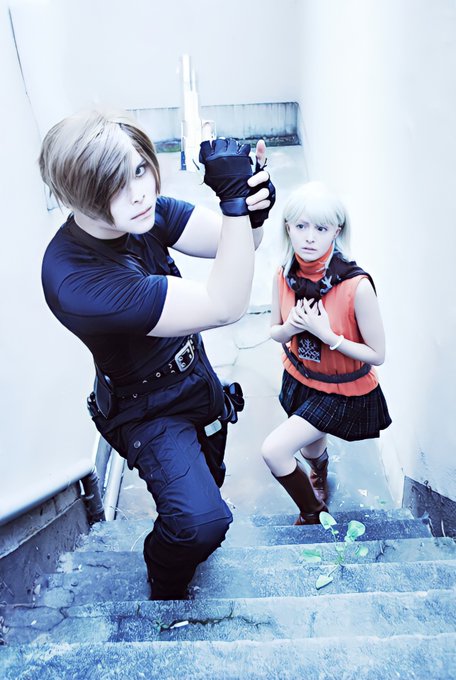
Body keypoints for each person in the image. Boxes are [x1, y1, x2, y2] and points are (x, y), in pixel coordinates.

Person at [39, 109, 276, 599]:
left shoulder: (143, 212)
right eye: (113, 185)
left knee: (209, 480)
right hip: (146, 408)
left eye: (140, 169)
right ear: (76, 194)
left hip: (197, 378)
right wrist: (233, 205)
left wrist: (250, 207)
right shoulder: (74, 279)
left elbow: (236, 245)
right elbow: (224, 305)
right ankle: (164, 580)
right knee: (200, 523)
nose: (139, 193)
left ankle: (183, 543)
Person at [261, 181, 391, 525]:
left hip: (341, 389)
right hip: (300, 374)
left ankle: (313, 512)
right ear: (287, 227)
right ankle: (318, 472)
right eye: (301, 226)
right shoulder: (283, 274)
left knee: (274, 450)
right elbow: (275, 331)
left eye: (320, 228)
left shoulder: (356, 286)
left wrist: (328, 336)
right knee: (310, 445)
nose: (309, 237)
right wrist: (291, 327)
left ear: (337, 230)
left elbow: (377, 354)